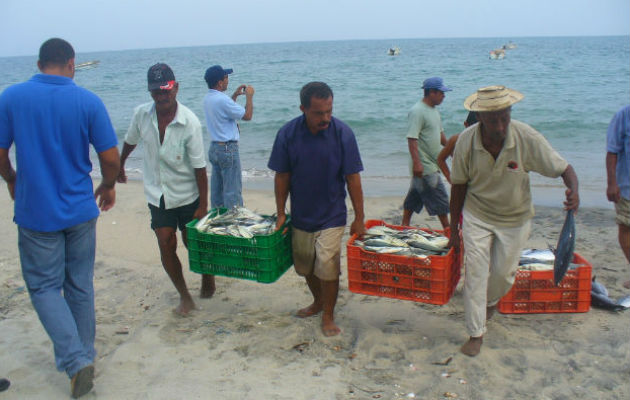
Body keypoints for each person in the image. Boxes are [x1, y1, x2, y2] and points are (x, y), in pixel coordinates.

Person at [0, 38, 120, 398]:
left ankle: (75, 360)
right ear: (71, 64)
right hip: (81, 209)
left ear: (40, 64)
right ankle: (85, 358)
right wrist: (107, 185)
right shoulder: (88, 101)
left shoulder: (11, 98)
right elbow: (110, 159)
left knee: (43, 287)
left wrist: (12, 179)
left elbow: (1, 155)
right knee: (80, 285)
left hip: (36, 210)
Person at [448, 85, 579, 357]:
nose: (500, 126)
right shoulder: (465, 142)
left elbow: (564, 168)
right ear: (479, 117)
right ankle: (475, 333)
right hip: (477, 214)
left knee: (502, 275)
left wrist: (573, 192)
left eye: (505, 118)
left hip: (515, 218)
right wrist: (453, 229)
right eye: (493, 119)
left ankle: (491, 301)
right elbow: (458, 186)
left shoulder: (525, 137)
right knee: (474, 274)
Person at [268, 82, 365, 337]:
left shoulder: (343, 133)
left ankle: (329, 315)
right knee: (305, 267)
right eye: (319, 113)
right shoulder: (287, 134)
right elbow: (282, 176)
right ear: (303, 109)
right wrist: (280, 213)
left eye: (329, 111)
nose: (326, 118)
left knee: (327, 264)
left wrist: (360, 218)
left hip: (333, 214)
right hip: (301, 215)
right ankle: (319, 301)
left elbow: (353, 178)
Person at [118, 63, 214, 315]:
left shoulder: (189, 122)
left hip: (188, 193)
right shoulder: (141, 114)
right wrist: (120, 165)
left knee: (191, 242)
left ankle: (207, 275)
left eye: (165, 90)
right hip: (157, 192)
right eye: (156, 92)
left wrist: (203, 206)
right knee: (165, 242)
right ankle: (185, 296)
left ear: (175, 88)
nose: (161, 96)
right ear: (150, 92)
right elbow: (130, 140)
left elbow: (200, 168)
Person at [202, 65, 254, 209]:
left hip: (215, 148)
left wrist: (235, 95)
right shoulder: (222, 100)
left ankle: (218, 221)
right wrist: (249, 97)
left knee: (217, 192)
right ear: (220, 82)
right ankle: (234, 222)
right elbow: (247, 115)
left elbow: (227, 110)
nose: (227, 80)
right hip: (227, 148)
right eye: (226, 78)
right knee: (232, 193)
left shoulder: (209, 98)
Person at [402, 77, 451, 229]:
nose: (444, 96)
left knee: (415, 195)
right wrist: (417, 163)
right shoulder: (417, 111)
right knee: (440, 199)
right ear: (431, 92)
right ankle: (448, 229)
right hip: (425, 165)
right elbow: (412, 139)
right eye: (441, 92)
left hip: (433, 163)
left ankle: (404, 225)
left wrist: (453, 149)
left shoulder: (434, 111)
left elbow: (440, 135)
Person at [605, 105, 630, 289]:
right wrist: (612, 183)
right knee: (626, 229)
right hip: (626, 188)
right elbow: (612, 152)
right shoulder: (623, 115)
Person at [437, 111, 478, 184]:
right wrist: (450, 180)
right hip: (462, 181)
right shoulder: (456, 139)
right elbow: (441, 159)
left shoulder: (485, 141)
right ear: (465, 124)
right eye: (471, 129)